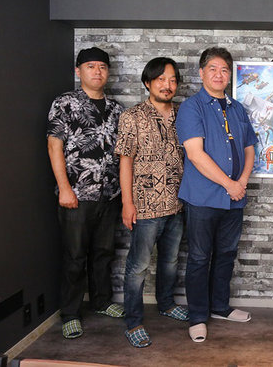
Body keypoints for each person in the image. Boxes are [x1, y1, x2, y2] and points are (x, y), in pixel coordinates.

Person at [176, 47, 257, 343]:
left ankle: (220, 306)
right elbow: (195, 154)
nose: (219, 74)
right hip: (203, 197)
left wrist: (242, 181)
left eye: (224, 69)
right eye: (213, 68)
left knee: (226, 254)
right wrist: (229, 184)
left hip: (235, 198)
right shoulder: (191, 107)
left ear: (230, 75)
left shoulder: (237, 108)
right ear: (201, 73)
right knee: (199, 257)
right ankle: (198, 316)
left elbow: (249, 147)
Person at [46, 47, 125, 339]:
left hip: (110, 194)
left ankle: (102, 302)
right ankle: (70, 313)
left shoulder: (117, 109)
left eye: (102, 67)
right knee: (75, 256)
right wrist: (65, 188)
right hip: (77, 194)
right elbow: (54, 145)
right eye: (91, 66)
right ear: (79, 71)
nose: (97, 71)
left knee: (104, 253)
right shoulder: (65, 103)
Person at [115, 57, 188, 348]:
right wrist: (127, 203)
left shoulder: (184, 115)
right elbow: (125, 161)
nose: (167, 85)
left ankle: (166, 304)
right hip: (145, 206)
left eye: (172, 80)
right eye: (160, 79)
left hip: (178, 204)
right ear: (148, 83)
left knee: (170, 261)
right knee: (139, 266)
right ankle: (133, 321)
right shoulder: (132, 116)